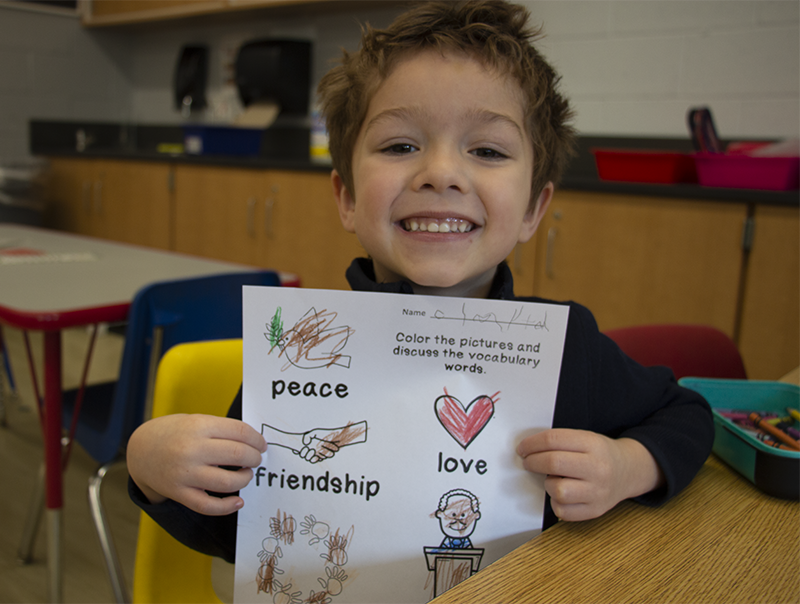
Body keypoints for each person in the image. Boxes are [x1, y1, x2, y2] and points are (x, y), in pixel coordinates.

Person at [127, 0, 714, 564]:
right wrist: (149, 465)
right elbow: (242, 534)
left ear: (535, 207)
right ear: (348, 198)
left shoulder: (567, 346)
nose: (440, 173)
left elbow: (687, 414)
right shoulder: (302, 360)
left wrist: (625, 465)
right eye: (401, 145)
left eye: (486, 149)